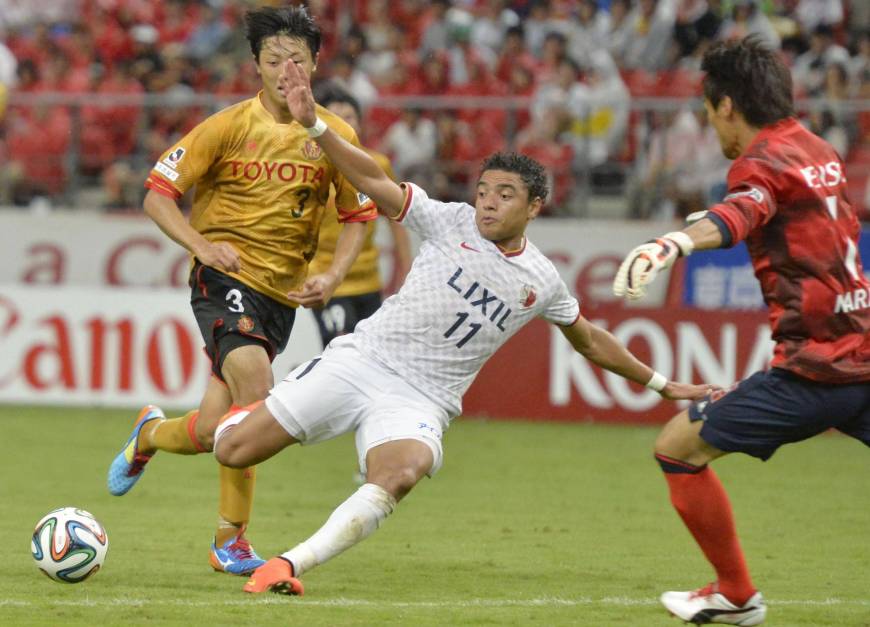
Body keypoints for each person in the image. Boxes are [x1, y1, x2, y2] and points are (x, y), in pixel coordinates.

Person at [208, 57, 713, 597]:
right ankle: (165, 430)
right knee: (232, 450)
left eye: (505, 194)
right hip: (361, 361)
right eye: (484, 189)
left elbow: (588, 338)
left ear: (535, 206)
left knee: (400, 473)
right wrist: (314, 125)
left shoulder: (541, 280)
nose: (488, 202)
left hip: (423, 398)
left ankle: (289, 564)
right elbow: (374, 180)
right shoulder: (447, 220)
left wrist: (662, 384)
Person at [106, 6, 376, 576]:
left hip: (280, 297)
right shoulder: (226, 125)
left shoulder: (334, 136)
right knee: (256, 386)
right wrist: (203, 248)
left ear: (315, 63)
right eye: (274, 59)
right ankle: (230, 540)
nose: (285, 71)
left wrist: (331, 275)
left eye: (297, 60)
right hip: (223, 278)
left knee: (213, 432)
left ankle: (149, 435)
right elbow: (157, 194)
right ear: (255, 64)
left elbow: (359, 214)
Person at [613, 37, 870, 626]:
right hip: (864, 351)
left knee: (678, 446)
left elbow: (741, 211)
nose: (711, 126)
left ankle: (734, 594)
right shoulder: (816, 146)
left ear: (726, 105)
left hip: (817, 369)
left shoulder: (759, 161)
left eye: (708, 111)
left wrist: (672, 242)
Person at [307, 83, 412, 347]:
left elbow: (397, 219)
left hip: (369, 281)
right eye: (335, 118)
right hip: (327, 281)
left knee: (370, 355)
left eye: (350, 117)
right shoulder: (309, 167)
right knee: (340, 348)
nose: (344, 124)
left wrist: (407, 271)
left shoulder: (377, 165)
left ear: (361, 124)